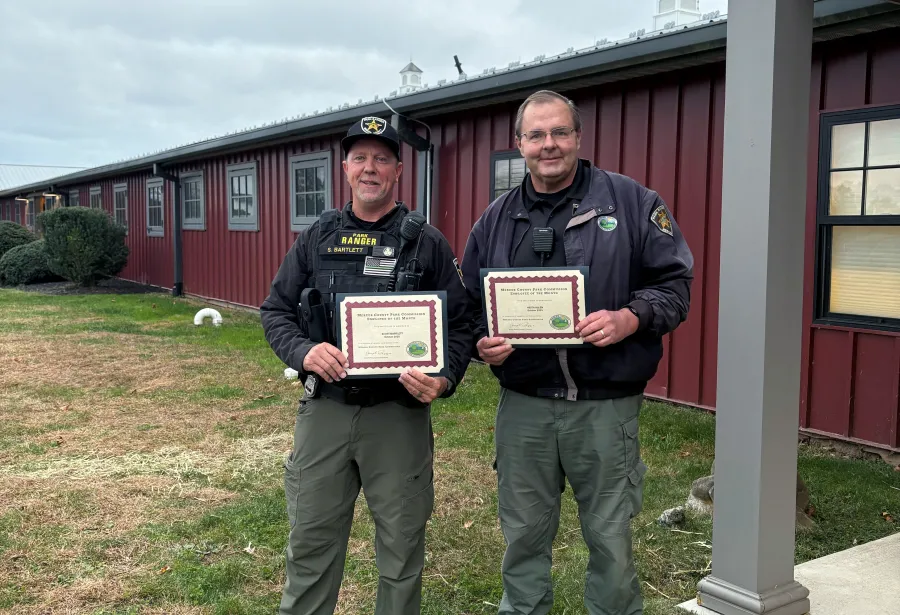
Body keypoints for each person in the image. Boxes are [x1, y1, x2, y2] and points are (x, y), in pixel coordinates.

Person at [460, 90, 694, 615]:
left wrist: (628, 317)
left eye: (560, 132)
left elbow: (675, 286)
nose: (549, 145)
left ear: (579, 137)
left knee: (611, 540)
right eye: (536, 134)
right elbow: (468, 305)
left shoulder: (632, 203)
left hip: (605, 406)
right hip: (525, 405)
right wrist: (482, 343)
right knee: (522, 537)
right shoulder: (495, 220)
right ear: (519, 143)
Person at [260, 115, 472, 615]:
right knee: (311, 540)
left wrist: (443, 379)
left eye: (381, 158)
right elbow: (276, 310)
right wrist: (302, 352)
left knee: (401, 548)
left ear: (399, 169)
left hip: (397, 415)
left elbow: (462, 324)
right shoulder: (318, 236)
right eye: (360, 158)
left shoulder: (427, 242)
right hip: (327, 411)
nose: (369, 168)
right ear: (346, 167)